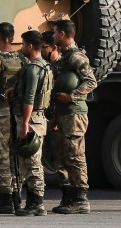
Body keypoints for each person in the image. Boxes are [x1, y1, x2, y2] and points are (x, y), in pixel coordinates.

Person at [50, 19, 96, 215]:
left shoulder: (76, 57)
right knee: (62, 155)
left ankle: (81, 199)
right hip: (62, 114)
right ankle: (68, 196)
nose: (52, 36)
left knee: (75, 155)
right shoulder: (64, 57)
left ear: (62, 34)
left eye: (54, 33)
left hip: (74, 113)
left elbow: (91, 81)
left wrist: (72, 96)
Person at [0, 22, 27, 215]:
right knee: (15, 155)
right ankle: (17, 195)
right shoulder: (23, 58)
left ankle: (5, 199)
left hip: (0, 113)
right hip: (18, 113)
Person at [10, 31, 53, 216]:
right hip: (39, 117)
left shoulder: (33, 69)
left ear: (29, 46)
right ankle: (34, 202)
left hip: (32, 119)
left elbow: (30, 98)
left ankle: (36, 203)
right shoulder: (45, 66)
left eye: (22, 44)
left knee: (32, 162)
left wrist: (25, 123)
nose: (20, 48)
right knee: (32, 161)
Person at [41, 30, 69, 208]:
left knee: (63, 159)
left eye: (44, 47)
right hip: (50, 118)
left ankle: (68, 196)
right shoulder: (49, 68)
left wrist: (57, 119)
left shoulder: (61, 67)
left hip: (59, 119)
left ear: (52, 48)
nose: (42, 50)